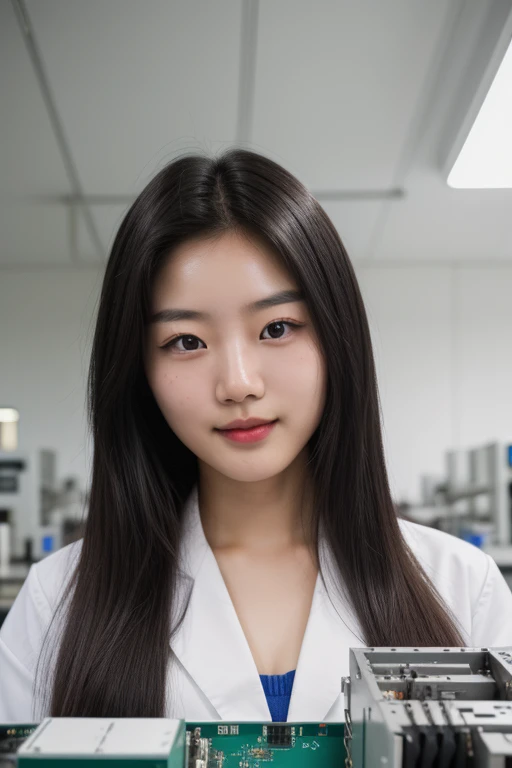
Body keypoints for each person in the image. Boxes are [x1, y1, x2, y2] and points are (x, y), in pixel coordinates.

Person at [1, 150, 511, 724]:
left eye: (277, 328)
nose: (239, 383)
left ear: (338, 340)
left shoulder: (463, 589)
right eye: (186, 341)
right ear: (139, 369)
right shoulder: (56, 605)